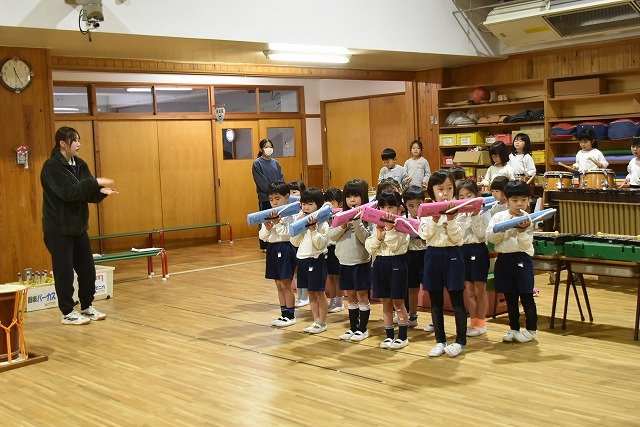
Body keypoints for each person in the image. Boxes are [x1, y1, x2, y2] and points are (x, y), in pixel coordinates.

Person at [41, 126, 117, 325]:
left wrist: (101, 192)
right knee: (64, 273)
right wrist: (94, 182)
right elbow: (69, 193)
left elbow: (88, 192)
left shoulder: (80, 164)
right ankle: (67, 312)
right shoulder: (51, 167)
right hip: (58, 230)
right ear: (62, 144)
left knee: (87, 270)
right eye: (74, 140)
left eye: (79, 140)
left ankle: (87, 306)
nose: (78, 144)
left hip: (79, 228)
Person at [419, 170, 466, 358]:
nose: (445, 193)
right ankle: (440, 340)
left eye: (449, 188)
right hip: (432, 255)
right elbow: (424, 235)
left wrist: (451, 220)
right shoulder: (426, 211)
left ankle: (460, 341)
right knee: (436, 301)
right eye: (440, 189)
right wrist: (435, 219)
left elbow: (459, 239)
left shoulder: (459, 209)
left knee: (457, 301)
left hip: (453, 255)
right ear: (432, 191)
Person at [486, 180, 538, 343]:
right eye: (515, 200)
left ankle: (531, 330)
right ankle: (513, 328)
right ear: (507, 200)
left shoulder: (529, 219)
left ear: (529, 200)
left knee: (526, 295)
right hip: (504, 259)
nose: (519, 204)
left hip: (522, 259)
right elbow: (491, 238)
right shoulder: (499, 217)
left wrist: (522, 231)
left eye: (523, 200)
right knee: (510, 297)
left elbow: (526, 245)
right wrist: (506, 228)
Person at [365, 191, 410, 350]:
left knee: (398, 302)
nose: (386, 211)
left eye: (390, 207)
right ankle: (389, 335)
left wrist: (390, 230)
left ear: (399, 209)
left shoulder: (403, 225)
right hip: (380, 263)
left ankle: (403, 336)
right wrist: (378, 236)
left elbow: (395, 247)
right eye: (382, 207)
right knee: (385, 302)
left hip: (397, 263)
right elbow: (370, 249)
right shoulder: (376, 226)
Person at [331, 179, 372, 342]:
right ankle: (353, 327)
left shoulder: (368, 216)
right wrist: (342, 225)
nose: (352, 200)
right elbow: (331, 236)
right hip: (344, 262)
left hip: (360, 262)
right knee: (351, 296)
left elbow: (366, 239)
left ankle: (363, 329)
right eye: (348, 196)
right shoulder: (340, 216)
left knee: (362, 295)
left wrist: (356, 221)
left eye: (356, 196)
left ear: (363, 197)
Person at [291, 188, 330, 334]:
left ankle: (322, 322)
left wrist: (313, 230)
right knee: (311, 293)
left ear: (318, 206)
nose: (306, 207)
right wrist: (299, 225)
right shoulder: (302, 222)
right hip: (302, 260)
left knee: (319, 292)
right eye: (303, 204)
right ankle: (315, 321)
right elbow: (294, 242)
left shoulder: (323, 224)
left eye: (310, 204)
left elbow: (321, 244)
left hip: (316, 260)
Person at [258, 181, 297, 328]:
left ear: (286, 197)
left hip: (286, 248)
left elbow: (289, 235)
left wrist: (278, 223)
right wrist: (268, 228)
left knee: (286, 283)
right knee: (278, 284)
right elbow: (263, 237)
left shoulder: (292, 213)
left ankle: (291, 315)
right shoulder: (269, 214)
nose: (274, 202)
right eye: (271, 199)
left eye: (277, 198)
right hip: (272, 249)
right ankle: (283, 314)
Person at [456, 179, 490, 337]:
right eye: (461, 197)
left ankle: (481, 323)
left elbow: (482, 235)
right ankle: (473, 322)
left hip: (478, 249)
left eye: (469, 196)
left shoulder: (485, 211)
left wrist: (475, 216)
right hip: (463, 250)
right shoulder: (458, 213)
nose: (465, 199)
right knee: (469, 290)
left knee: (479, 289)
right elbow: (457, 235)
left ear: (476, 195)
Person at [402, 185, 427, 328]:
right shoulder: (403, 219)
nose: (415, 209)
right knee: (411, 287)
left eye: (419, 204)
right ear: (405, 206)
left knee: (430, 287)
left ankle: (435, 318)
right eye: (411, 206)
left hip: (425, 254)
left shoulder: (429, 218)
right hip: (409, 254)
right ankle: (412, 315)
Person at [252, 138, 284, 251]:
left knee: (278, 218)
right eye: (266, 147)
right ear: (261, 149)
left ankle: (278, 240)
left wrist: (280, 191)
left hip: (279, 197)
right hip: (265, 197)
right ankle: (265, 244)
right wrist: (273, 192)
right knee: (265, 219)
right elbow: (261, 181)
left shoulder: (276, 163)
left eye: (270, 147)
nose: (269, 149)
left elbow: (281, 178)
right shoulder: (257, 163)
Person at [324, 187, 344, 313]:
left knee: (337, 277)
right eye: (327, 203)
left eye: (332, 203)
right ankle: (332, 300)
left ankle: (339, 302)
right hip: (328, 248)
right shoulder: (325, 216)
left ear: (339, 204)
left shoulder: (340, 216)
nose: (329, 206)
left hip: (337, 248)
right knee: (330, 277)